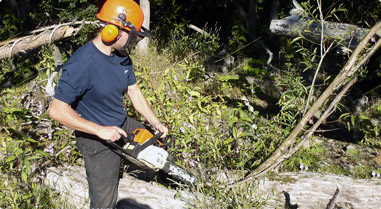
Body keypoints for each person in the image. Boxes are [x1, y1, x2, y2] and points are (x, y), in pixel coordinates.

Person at [48, 0, 168, 208]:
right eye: (132, 35)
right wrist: (100, 131)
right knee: (104, 203)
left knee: (159, 152)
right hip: (96, 140)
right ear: (114, 30)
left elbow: (134, 91)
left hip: (121, 122)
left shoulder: (121, 58)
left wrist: (155, 122)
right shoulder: (81, 64)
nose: (133, 41)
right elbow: (56, 110)